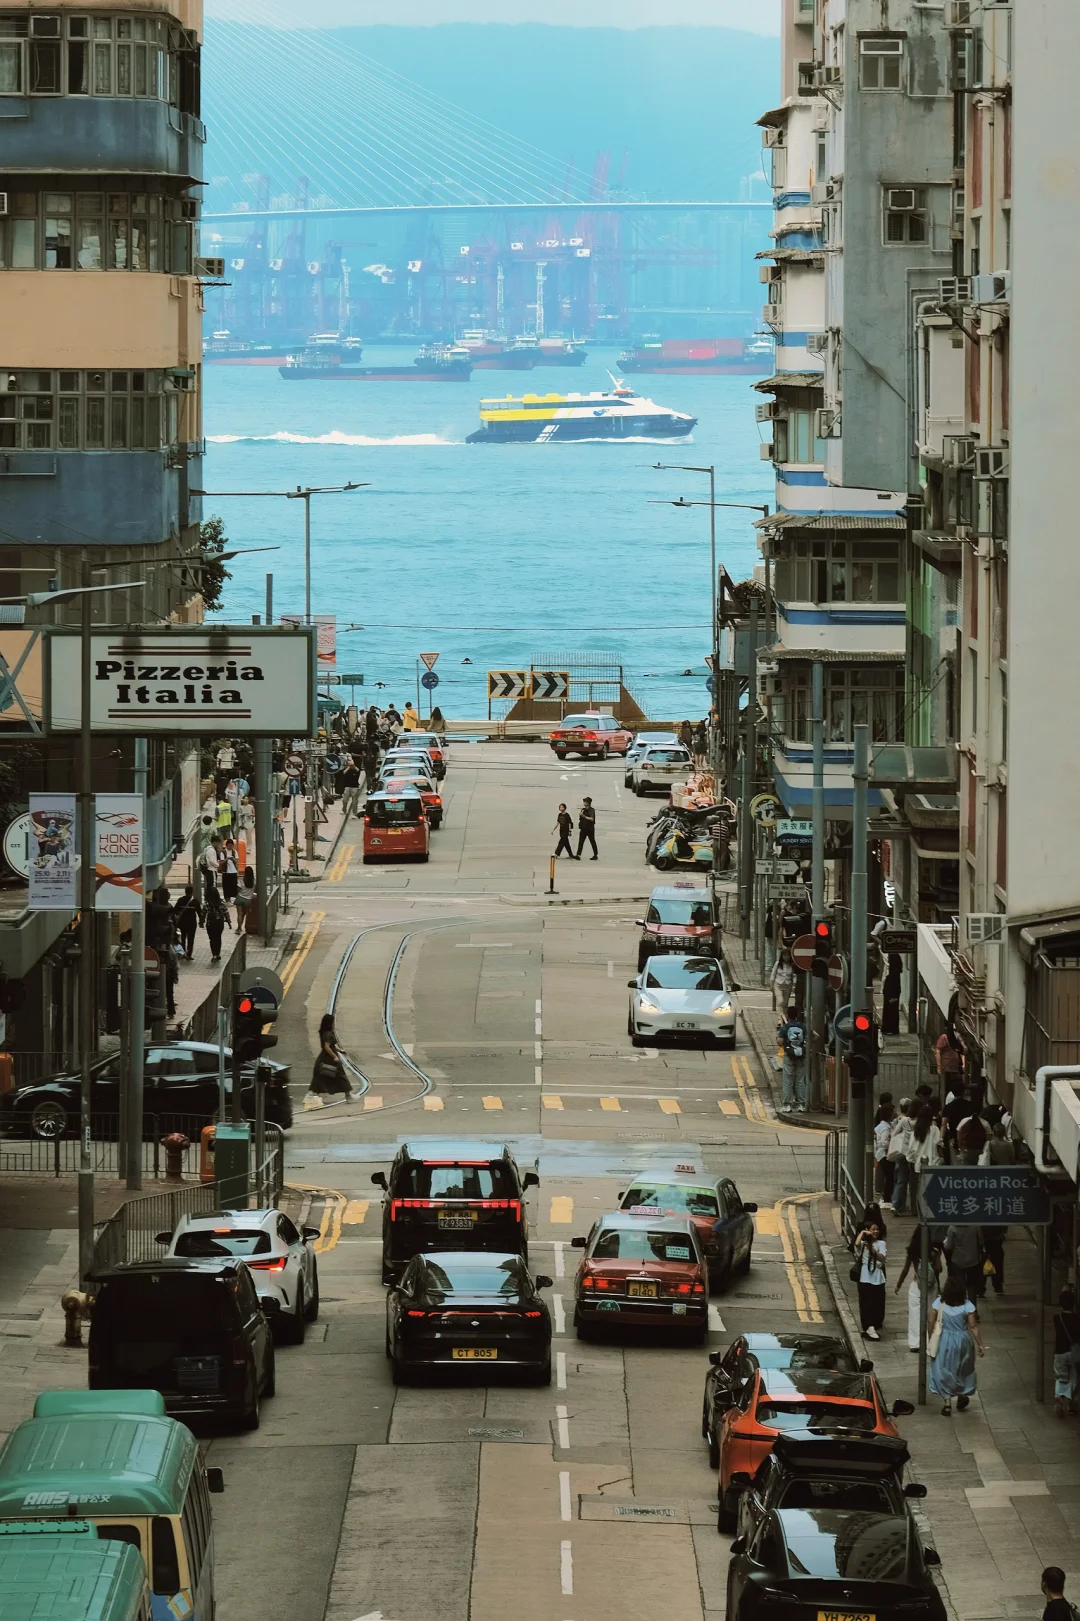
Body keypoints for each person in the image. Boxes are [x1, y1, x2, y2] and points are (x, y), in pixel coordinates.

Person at [928, 1271, 984, 1416]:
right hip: (964, 1340)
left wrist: (930, 1336)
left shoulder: (939, 1303)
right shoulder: (968, 1306)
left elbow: (930, 1320)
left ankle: (947, 1403)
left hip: (945, 1339)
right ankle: (962, 1394)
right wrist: (980, 1345)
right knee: (964, 1367)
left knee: (944, 1368)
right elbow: (973, 1327)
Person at [895, 1226, 944, 1353]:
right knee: (931, 1314)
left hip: (916, 1285)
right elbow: (939, 1269)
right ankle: (930, 1340)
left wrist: (898, 1285)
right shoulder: (934, 1252)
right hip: (931, 1287)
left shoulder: (912, 1252)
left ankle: (915, 1342)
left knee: (915, 1314)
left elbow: (905, 1269)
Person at [853, 1206, 887, 1341]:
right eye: (873, 1230)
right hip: (865, 1277)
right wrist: (863, 1234)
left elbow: (882, 1258)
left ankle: (873, 1324)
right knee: (866, 1302)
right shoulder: (863, 1243)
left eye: (877, 1229)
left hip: (877, 1276)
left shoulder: (881, 1243)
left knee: (876, 1302)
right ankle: (868, 1327)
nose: (876, 1232)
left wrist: (871, 1249)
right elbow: (856, 1244)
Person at [311, 1013, 353, 1100]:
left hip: (324, 1057)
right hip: (329, 1057)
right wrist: (334, 1056)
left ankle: (313, 1093)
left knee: (320, 1075)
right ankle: (348, 1096)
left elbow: (332, 1045)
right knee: (340, 1075)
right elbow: (327, 1046)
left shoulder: (324, 1032)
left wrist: (340, 1050)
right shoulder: (328, 1034)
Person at [1052, 1292, 1080, 1418]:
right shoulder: (1077, 1318)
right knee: (1074, 1377)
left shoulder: (1057, 1318)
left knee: (1061, 1377)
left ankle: (1059, 1395)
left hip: (1060, 1352)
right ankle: (1072, 1405)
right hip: (1074, 1352)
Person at [887, 1099, 915, 1216]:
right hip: (915, 1153)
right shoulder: (920, 1122)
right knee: (914, 1182)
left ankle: (896, 1204)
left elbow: (893, 1134)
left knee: (901, 1180)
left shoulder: (903, 1121)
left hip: (903, 1153)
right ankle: (914, 1207)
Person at [777, 1005, 808, 1113]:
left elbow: (780, 1042)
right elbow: (815, 1036)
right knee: (800, 1080)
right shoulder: (803, 1026)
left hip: (789, 1055)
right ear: (797, 1015)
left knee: (788, 1080)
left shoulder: (785, 1027)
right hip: (801, 1056)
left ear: (787, 1015)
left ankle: (787, 1105)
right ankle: (801, 1104)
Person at [943, 1222, 984, 1301]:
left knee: (960, 1286)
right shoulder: (975, 1226)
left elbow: (948, 1247)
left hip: (958, 1261)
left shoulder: (952, 1228)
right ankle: (972, 1309)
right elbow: (981, 1242)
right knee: (972, 1285)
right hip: (973, 1260)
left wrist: (945, 1242)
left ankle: (961, 1306)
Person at [909, 1103, 943, 1176]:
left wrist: (913, 1160)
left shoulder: (915, 1132)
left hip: (919, 1166)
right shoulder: (935, 1129)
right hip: (934, 1164)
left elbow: (911, 1150)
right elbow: (939, 1145)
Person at [873, 1100, 897, 1207]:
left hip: (881, 1155)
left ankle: (887, 1197)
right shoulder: (885, 1128)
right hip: (885, 1155)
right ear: (889, 1114)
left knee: (889, 1177)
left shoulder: (883, 1125)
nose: (894, 1114)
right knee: (889, 1177)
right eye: (893, 1112)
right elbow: (882, 1143)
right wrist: (891, 1143)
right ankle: (887, 1199)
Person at [173, 885, 202, 960]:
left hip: (182, 923)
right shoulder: (195, 901)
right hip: (192, 923)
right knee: (191, 939)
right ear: (192, 892)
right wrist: (201, 922)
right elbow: (200, 913)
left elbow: (175, 910)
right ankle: (189, 954)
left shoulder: (181, 900)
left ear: (185, 891)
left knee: (182, 938)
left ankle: (182, 953)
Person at [980, 1225, 1006, 1295]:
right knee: (997, 1266)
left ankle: (981, 1289)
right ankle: (998, 1287)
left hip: (985, 1241)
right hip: (996, 1241)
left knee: (982, 1265)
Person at [204, 887, 227, 963]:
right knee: (218, 938)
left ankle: (214, 954)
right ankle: (218, 953)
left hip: (210, 923)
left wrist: (201, 922)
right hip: (220, 923)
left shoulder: (207, 903)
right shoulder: (221, 902)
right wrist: (229, 922)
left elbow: (203, 913)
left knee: (212, 939)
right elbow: (225, 912)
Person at [881, 953, 902, 1036]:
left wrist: (892, 996)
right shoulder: (895, 971)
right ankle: (891, 1028)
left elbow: (893, 985)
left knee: (890, 1012)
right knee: (892, 1012)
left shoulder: (894, 972)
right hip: (891, 995)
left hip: (891, 996)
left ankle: (890, 1028)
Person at [770, 946, 795, 1013]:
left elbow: (794, 976)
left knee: (785, 1003)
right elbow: (773, 974)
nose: (786, 957)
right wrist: (771, 985)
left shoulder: (792, 965)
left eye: (787, 955)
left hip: (788, 985)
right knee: (780, 1001)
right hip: (778, 984)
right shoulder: (778, 964)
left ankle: (785, 1018)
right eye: (784, 955)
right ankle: (780, 1019)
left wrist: (793, 986)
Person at [234, 867, 256, 935]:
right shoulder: (254, 881)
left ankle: (239, 928)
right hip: (248, 900)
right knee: (244, 914)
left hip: (240, 898)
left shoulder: (241, 880)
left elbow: (238, 889)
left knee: (239, 914)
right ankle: (243, 926)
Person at [221, 838, 240, 905]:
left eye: (231, 845)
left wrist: (233, 859)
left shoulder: (235, 852)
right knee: (226, 886)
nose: (230, 847)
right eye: (229, 845)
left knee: (234, 886)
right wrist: (227, 859)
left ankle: (234, 899)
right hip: (226, 872)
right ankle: (227, 900)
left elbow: (237, 862)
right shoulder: (223, 852)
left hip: (233, 871)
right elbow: (221, 862)